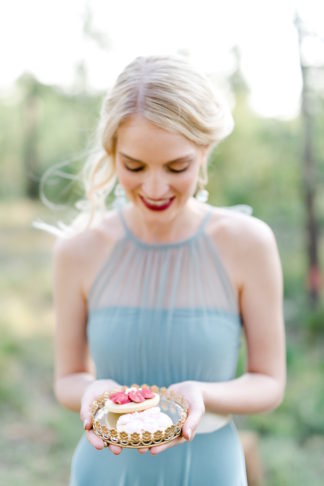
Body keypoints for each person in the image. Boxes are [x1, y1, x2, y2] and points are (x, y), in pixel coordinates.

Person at [52, 55, 286, 485]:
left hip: (209, 469)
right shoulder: (78, 251)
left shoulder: (249, 244)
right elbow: (66, 377)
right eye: (134, 166)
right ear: (111, 151)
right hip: (104, 471)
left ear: (204, 151)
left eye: (177, 167)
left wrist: (202, 395)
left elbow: (269, 380)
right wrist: (91, 390)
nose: (155, 188)